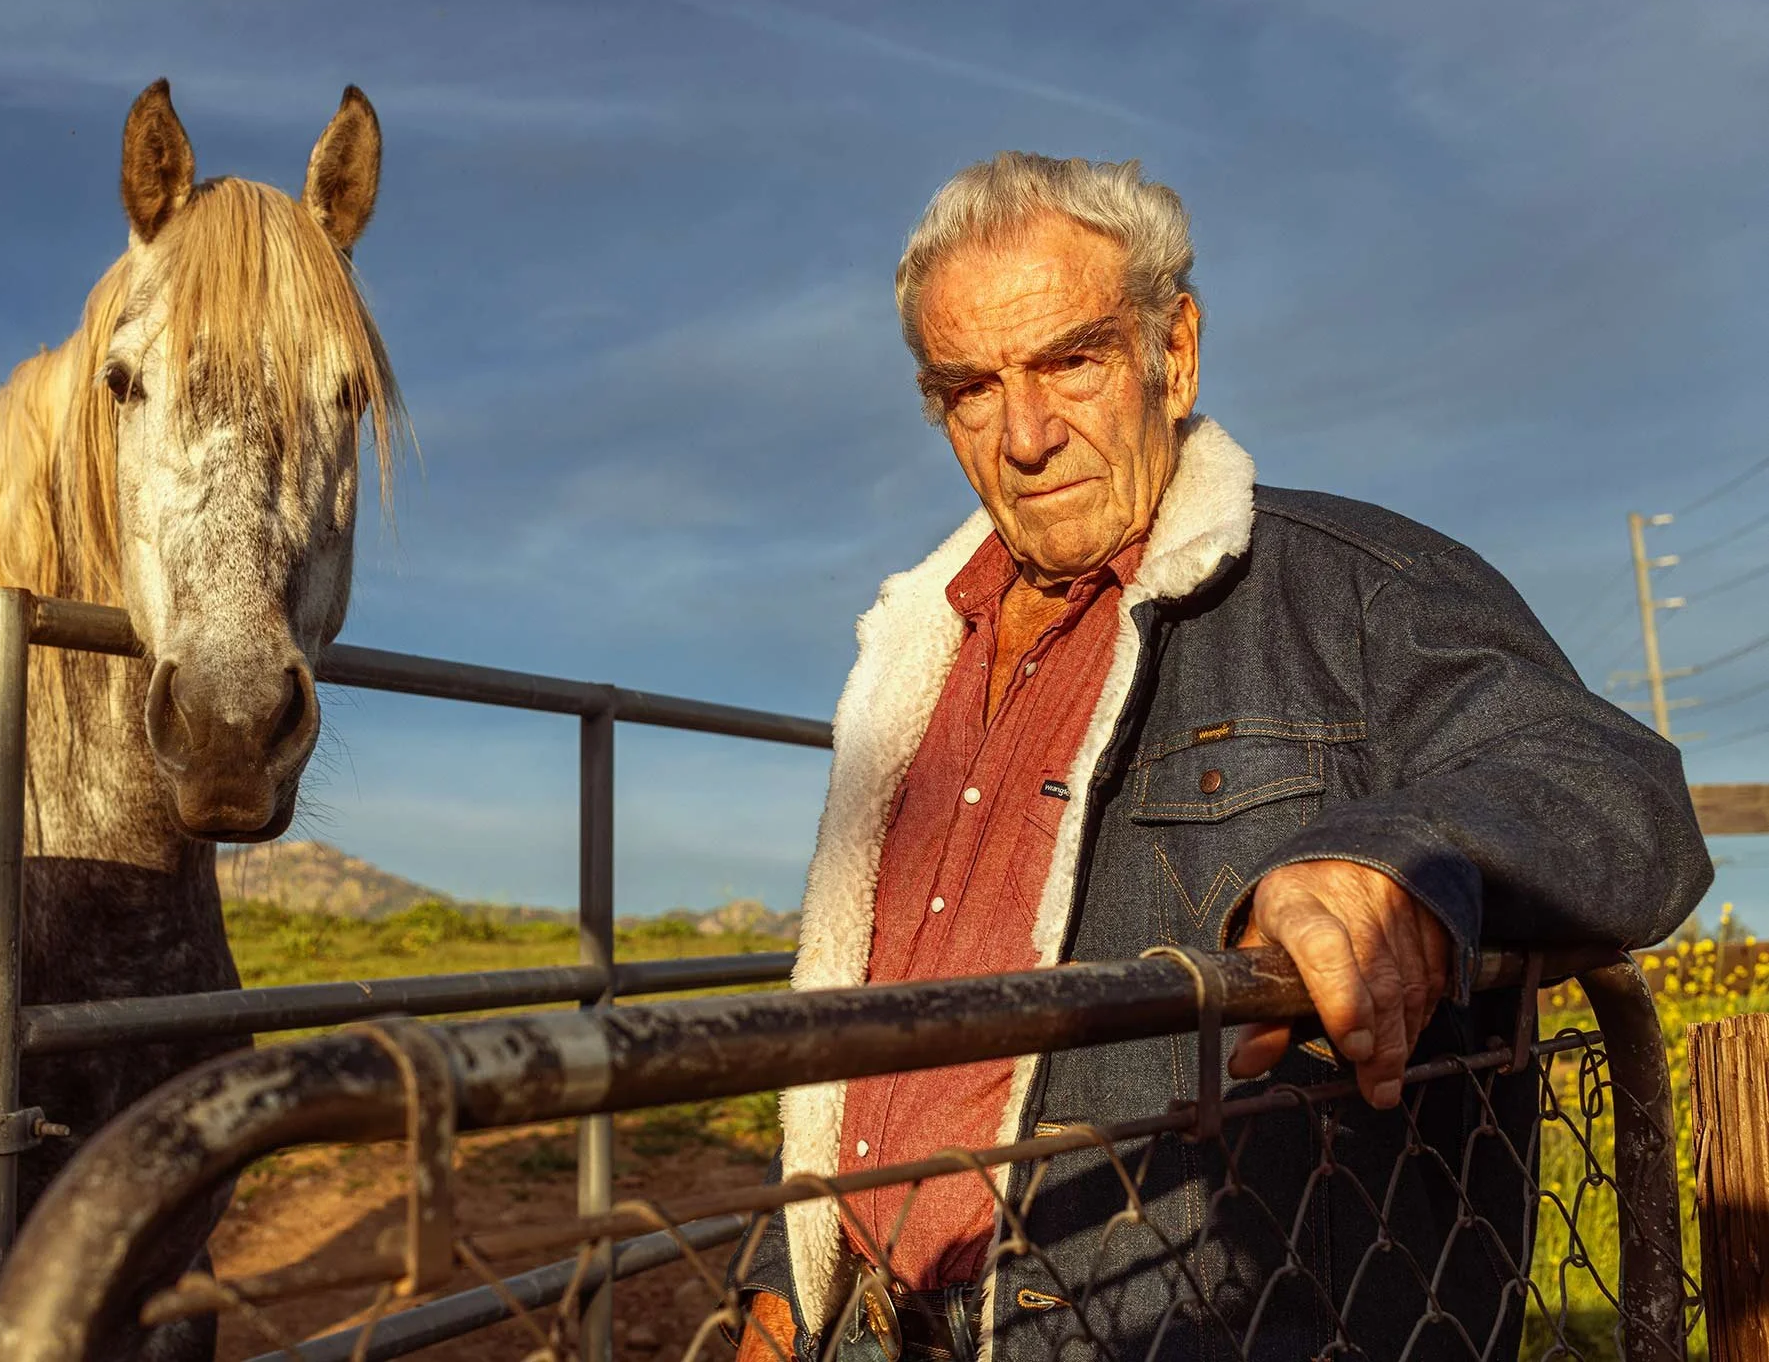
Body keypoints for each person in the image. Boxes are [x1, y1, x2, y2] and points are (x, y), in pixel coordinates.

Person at [733, 154, 1711, 1362]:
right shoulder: (911, 659)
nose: (1023, 434)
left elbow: (1620, 795)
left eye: (1069, 361)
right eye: (969, 389)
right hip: (881, 1331)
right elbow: (863, 1023)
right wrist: (783, 1292)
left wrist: (1392, 862)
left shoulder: (1351, 588)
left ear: (1172, 350)